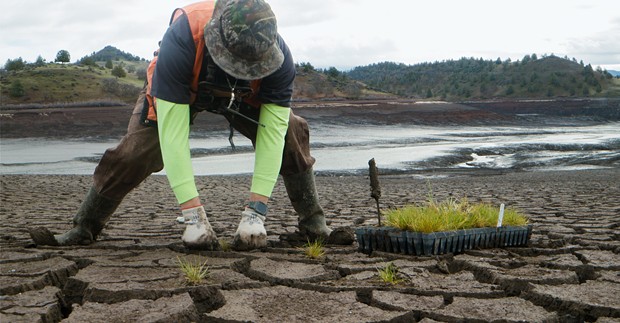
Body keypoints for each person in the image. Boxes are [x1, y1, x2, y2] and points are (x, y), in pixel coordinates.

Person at [29, 0, 351, 250]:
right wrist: (194, 215)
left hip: (241, 98)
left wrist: (256, 212)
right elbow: (173, 137)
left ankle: (314, 225)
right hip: (185, 88)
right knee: (136, 152)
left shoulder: (279, 58)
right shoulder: (183, 36)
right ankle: (83, 227)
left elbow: (273, 134)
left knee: (292, 134)